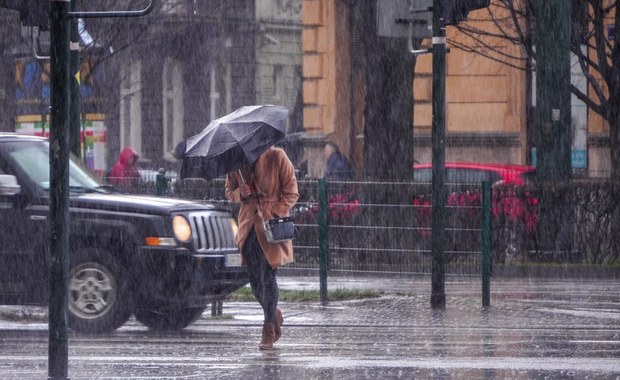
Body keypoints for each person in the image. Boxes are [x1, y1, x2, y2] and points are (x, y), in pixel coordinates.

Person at [225, 146, 299, 350]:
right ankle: (273, 313)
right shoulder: (236, 162)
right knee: (254, 279)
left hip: (271, 228)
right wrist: (241, 193)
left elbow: (292, 192)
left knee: (267, 276)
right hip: (248, 227)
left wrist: (275, 211)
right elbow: (229, 192)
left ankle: (268, 328)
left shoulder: (277, 156)